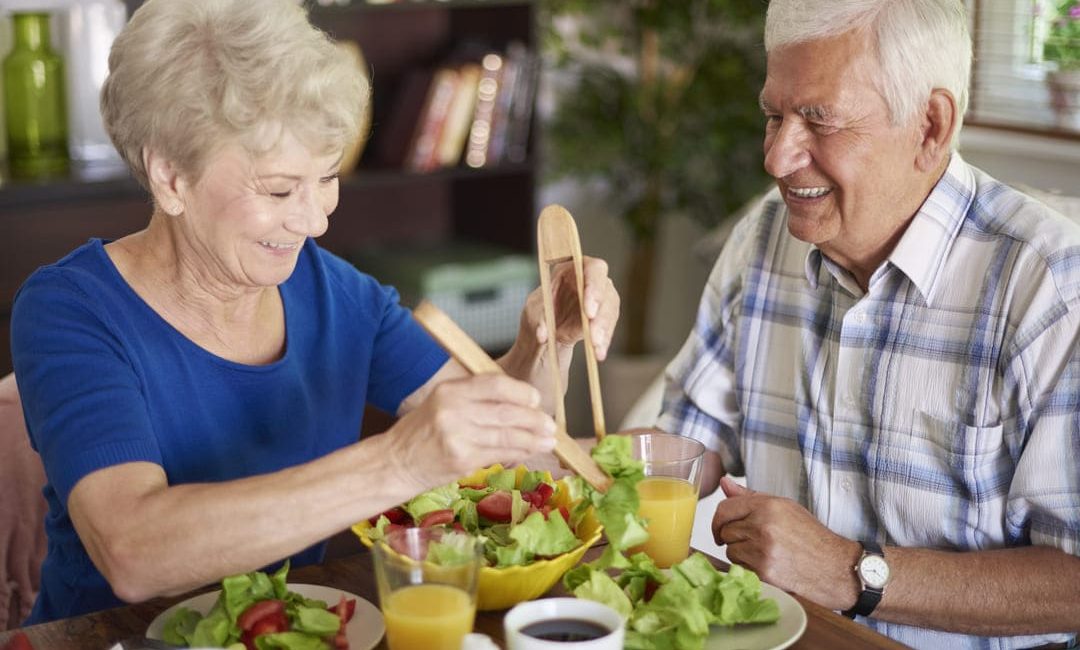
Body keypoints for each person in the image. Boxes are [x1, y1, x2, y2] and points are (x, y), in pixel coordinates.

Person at [9, 0, 619, 624]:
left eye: (326, 177)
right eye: (278, 190)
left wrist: (546, 340)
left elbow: (501, 442)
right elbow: (133, 552)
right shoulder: (72, 311)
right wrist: (399, 460)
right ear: (170, 177)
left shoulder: (332, 291)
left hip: (300, 629)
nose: (315, 219)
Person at [654, 0, 1080, 648]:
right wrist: (551, 434)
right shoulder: (764, 237)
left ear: (931, 125)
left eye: (818, 121)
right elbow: (688, 444)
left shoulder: (1049, 285)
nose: (776, 158)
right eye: (774, 116)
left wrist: (851, 571)